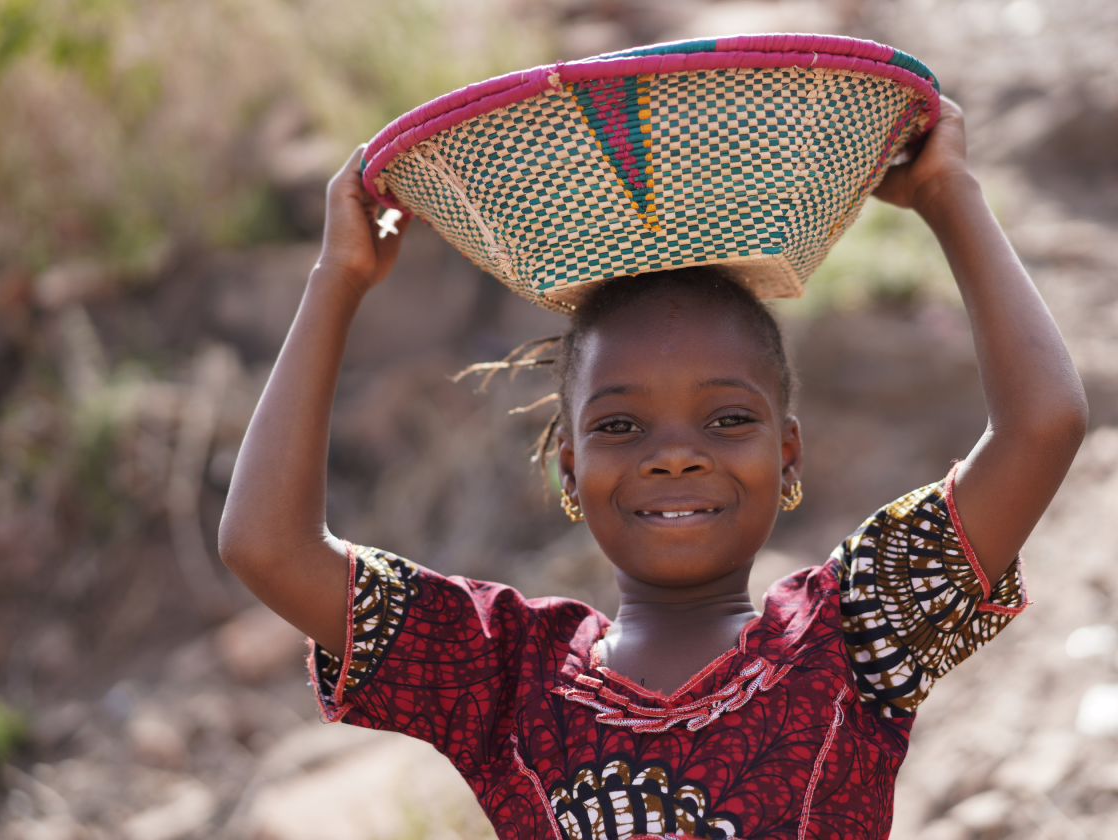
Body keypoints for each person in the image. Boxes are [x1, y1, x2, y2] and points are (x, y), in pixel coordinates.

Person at [218, 98, 1087, 839]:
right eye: (622, 424)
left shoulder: (853, 633)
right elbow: (266, 545)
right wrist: (336, 278)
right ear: (568, 466)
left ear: (788, 452)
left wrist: (949, 194)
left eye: (728, 418)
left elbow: (1042, 426)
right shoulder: (501, 672)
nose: (675, 453)